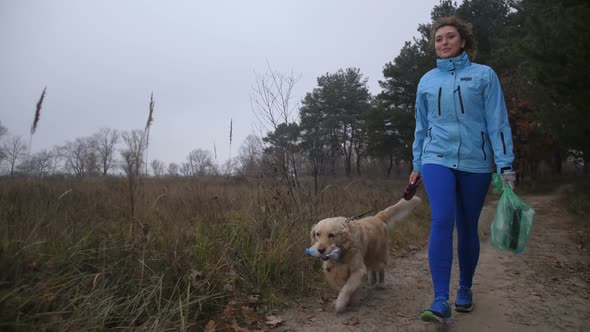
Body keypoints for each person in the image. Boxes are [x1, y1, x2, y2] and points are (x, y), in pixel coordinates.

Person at [409, 16, 517, 322]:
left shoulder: (484, 76)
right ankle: (440, 299)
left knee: (468, 227)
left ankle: (465, 288)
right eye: (438, 38)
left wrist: (505, 164)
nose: (443, 43)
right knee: (442, 220)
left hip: (476, 161)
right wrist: (417, 163)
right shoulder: (427, 81)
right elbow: (421, 125)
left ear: (463, 41)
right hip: (436, 158)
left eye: (450, 37)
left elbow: (497, 121)